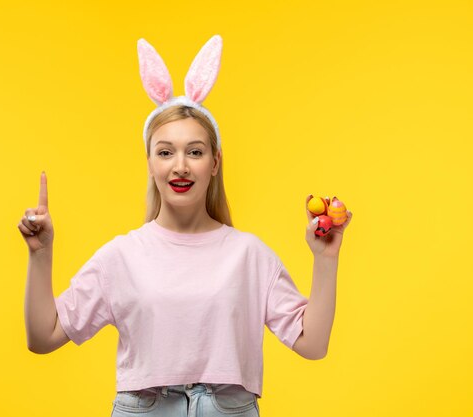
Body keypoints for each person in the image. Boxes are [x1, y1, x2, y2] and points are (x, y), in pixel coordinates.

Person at [19, 35, 352, 417]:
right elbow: (42, 337)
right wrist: (40, 254)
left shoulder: (248, 254)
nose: (180, 165)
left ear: (214, 162)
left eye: (195, 151)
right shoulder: (122, 256)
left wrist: (325, 259)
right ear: (150, 163)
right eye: (165, 152)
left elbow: (313, 344)